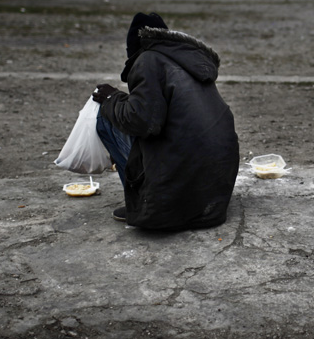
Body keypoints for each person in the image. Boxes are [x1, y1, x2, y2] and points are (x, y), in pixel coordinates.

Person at [92, 12, 240, 231]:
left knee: (105, 117)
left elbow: (143, 123)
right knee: (123, 109)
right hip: (214, 198)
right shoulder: (188, 61)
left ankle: (142, 201)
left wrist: (111, 99)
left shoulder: (147, 60)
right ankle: (180, 199)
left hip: (173, 203)